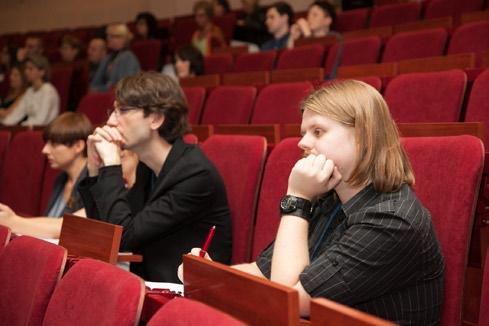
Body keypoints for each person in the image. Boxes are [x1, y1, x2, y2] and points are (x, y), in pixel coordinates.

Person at [179, 80, 445, 325]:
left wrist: (297, 198)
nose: (303, 142)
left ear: (364, 137)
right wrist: (208, 275)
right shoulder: (328, 197)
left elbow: (286, 301)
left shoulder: (392, 220)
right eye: (304, 132)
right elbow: (264, 272)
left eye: (318, 131)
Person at [78, 72, 232, 282]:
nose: (111, 121)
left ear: (156, 119)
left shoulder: (194, 174)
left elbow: (124, 238)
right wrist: (95, 168)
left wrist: (112, 165)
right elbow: (106, 234)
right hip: (152, 285)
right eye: (112, 110)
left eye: (122, 110)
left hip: (191, 296)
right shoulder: (147, 166)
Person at [0, 112, 92, 238]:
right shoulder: (61, 179)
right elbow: (50, 221)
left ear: (78, 146)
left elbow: (68, 228)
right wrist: (13, 219)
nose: (45, 150)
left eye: (54, 144)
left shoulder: (94, 182)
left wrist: (13, 221)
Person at [1, 55, 59, 126]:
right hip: (29, 129)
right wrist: (3, 125)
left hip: (45, 132)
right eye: (26, 68)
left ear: (42, 72)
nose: (26, 72)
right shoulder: (29, 91)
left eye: (30, 69)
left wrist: (22, 126)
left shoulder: (48, 91)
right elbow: (16, 115)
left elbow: (41, 120)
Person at [90, 23, 140, 92]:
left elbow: (123, 87)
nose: (108, 38)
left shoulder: (128, 57)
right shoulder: (107, 58)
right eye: (107, 35)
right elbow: (95, 82)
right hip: (105, 95)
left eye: (112, 36)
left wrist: (98, 90)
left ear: (123, 38)